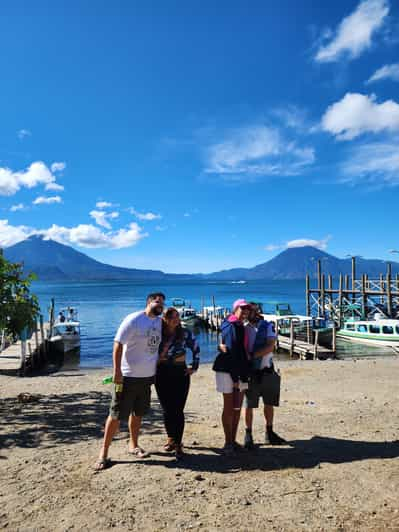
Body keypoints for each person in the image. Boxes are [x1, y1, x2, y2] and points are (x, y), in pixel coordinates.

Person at [94, 292, 165, 471]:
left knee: (138, 412)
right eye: (157, 302)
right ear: (148, 302)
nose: (160, 305)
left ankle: (133, 445)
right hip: (127, 376)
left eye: (162, 303)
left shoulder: (158, 322)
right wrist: (117, 371)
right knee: (117, 414)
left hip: (147, 378)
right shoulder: (133, 319)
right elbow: (117, 344)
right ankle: (103, 453)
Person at [155, 307, 200, 460]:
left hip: (180, 372)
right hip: (162, 373)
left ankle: (179, 443)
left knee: (178, 409)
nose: (176, 319)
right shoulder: (157, 333)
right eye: (171, 317)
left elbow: (196, 348)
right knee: (167, 409)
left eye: (177, 317)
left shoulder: (185, 333)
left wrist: (194, 366)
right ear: (164, 318)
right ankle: (171, 438)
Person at [243, 303, 286, 449]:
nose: (249, 313)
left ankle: (269, 432)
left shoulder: (267, 326)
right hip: (249, 372)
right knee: (248, 404)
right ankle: (248, 434)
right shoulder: (243, 327)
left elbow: (270, 346)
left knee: (269, 403)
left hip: (266, 369)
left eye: (251, 311)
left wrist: (251, 356)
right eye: (248, 311)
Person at [212, 299, 251, 456]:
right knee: (229, 406)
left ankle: (233, 440)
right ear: (235, 309)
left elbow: (238, 351)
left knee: (237, 407)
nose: (245, 312)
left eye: (247, 309)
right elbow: (230, 351)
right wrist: (236, 378)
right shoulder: (231, 325)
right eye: (242, 309)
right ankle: (228, 442)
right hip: (227, 370)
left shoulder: (239, 325)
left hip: (240, 371)